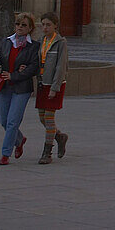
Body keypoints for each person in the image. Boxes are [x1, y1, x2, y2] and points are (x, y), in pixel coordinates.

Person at [0, 13, 40, 165]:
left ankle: (5, 154)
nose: (20, 27)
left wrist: (15, 75)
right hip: (5, 86)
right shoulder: (7, 42)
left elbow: (33, 67)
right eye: (18, 24)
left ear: (30, 28)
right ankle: (19, 140)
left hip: (22, 88)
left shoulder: (34, 46)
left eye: (24, 25)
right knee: (3, 120)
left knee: (13, 121)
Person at [35, 12, 69, 165]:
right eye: (43, 24)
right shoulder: (41, 40)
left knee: (49, 118)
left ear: (55, 25)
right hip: (43, 83)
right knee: (42, 117)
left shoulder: (60, 42)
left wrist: (55, 87)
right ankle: (59, 136)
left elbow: (61, 66)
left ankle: (47, 151)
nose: (45, 27)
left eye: (48, 24)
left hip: (54, 84)